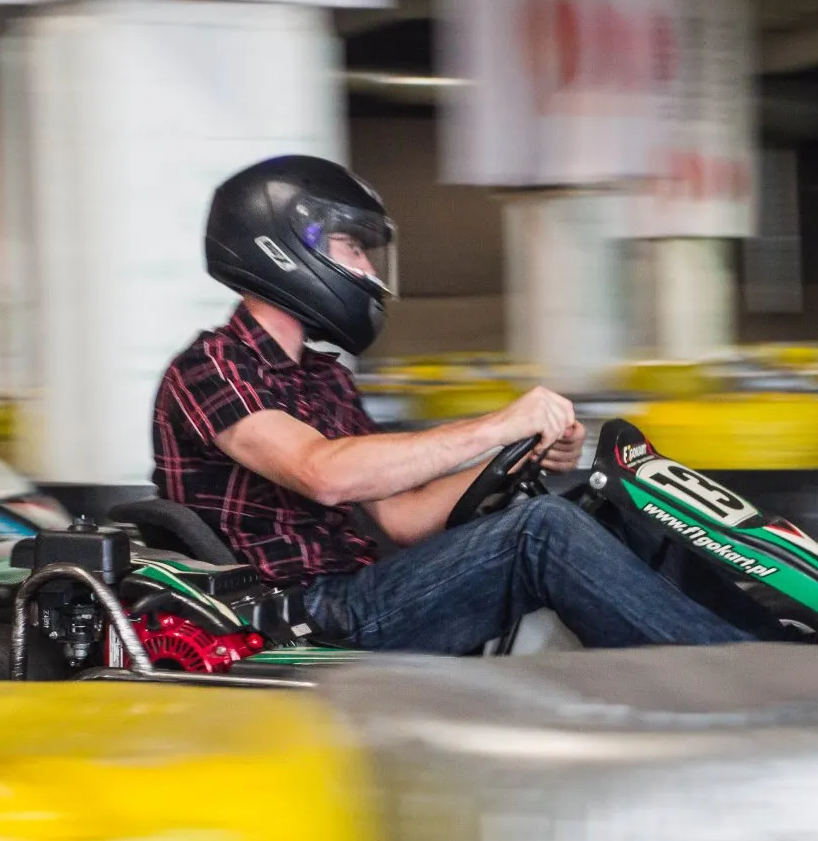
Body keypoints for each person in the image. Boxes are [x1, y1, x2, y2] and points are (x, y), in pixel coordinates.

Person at [150, 155, 765, 654]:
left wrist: (519, 455)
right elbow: (322, 473)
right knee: (541, 532)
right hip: (299, 617)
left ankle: (769, 648)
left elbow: (402, 519)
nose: (365, 267)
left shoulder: (324, 381)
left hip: (362, 589)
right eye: (351, 248)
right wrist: (500, 422)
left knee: (600, 502)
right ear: (284, 247)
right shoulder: (211, 368)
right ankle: (733, 682)